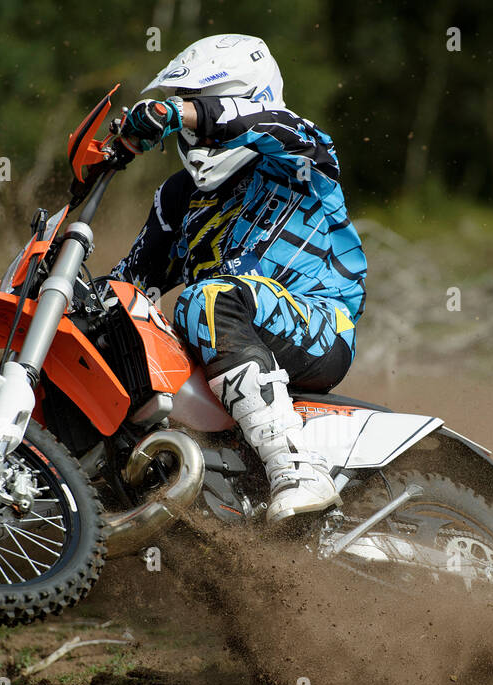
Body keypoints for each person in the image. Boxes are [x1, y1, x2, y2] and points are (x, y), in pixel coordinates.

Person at [111, 34, 367, 522]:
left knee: (205, 298)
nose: (188, 120)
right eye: (182, 105)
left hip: (319, 328)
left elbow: (266, 126)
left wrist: (174, 115)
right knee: (113, 321)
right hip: (224, 342)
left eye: (196, 105)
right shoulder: (178, 196)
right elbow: (130, 285)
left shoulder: (299, 158)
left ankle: (298, 469)